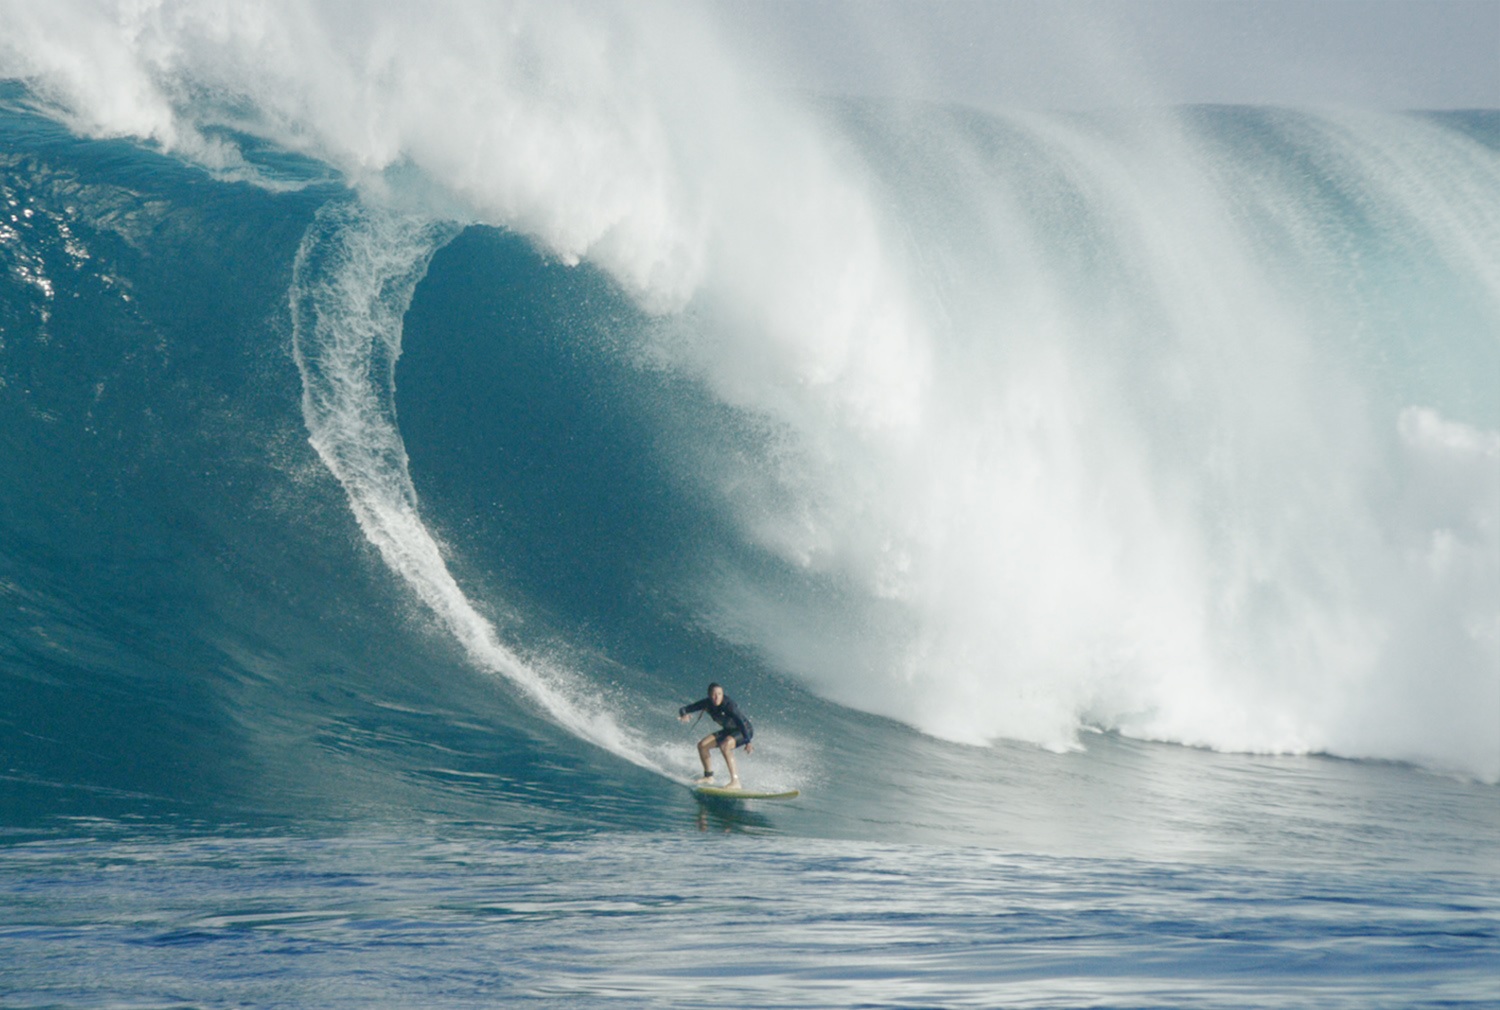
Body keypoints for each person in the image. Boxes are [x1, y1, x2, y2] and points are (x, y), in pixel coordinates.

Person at [678, 682, 754, 788]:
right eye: (714, 694)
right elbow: (684, 709)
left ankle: (735, 782)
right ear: (709, 695)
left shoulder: (729, 705)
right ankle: (709, 777)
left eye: (719, 694)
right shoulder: (706, 703)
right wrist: (683, 715)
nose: (716, 697)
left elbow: (740, 722)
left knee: (725, 746)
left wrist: (747, 741)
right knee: (702, 745)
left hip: (744, 730)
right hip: (729, 730)